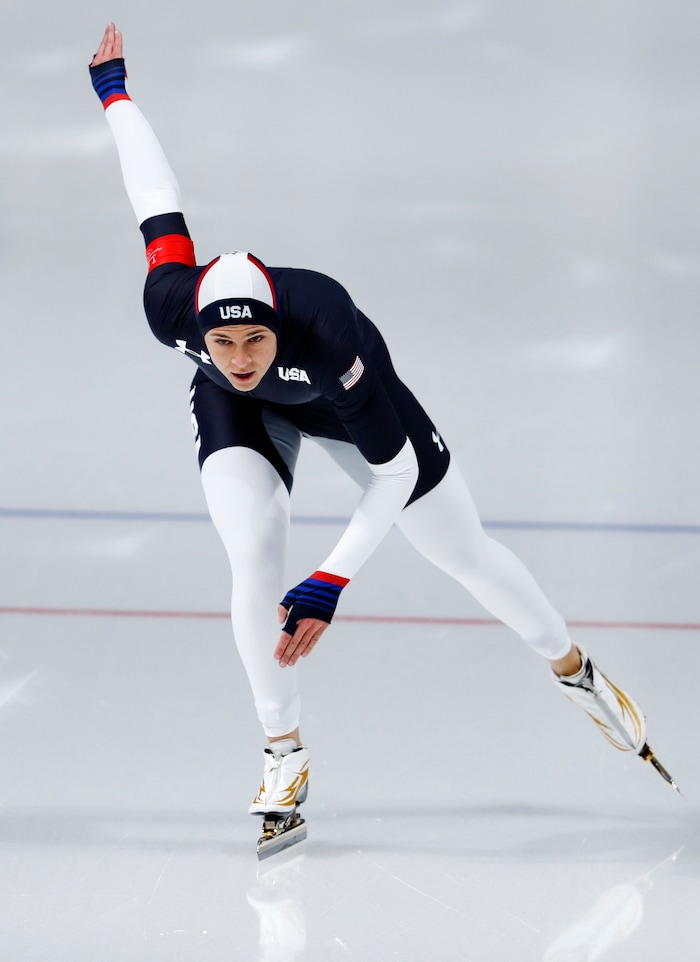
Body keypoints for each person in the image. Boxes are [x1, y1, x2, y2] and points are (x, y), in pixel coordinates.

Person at [88, 24, 656, 820]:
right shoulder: (171, 306)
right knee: (250, 553)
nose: (242, 353)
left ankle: (574, 669)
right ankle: (282, 752)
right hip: (240, 417)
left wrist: (330, 581)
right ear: (199, 330)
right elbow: (154, 198)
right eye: (224, 341)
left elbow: (392, 475)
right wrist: (114, 94)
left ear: (281, 323)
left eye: (256, 338)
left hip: (347, 408)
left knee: (464, 554)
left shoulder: (326, 329)